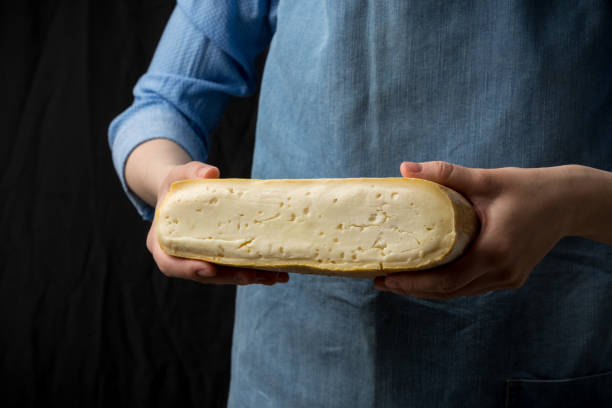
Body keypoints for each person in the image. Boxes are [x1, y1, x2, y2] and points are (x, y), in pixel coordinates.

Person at [108, 1, 612, 406]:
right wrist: (170, 183)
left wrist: (572, 201)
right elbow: (159, 107)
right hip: (293, 364)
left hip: (534, 344)